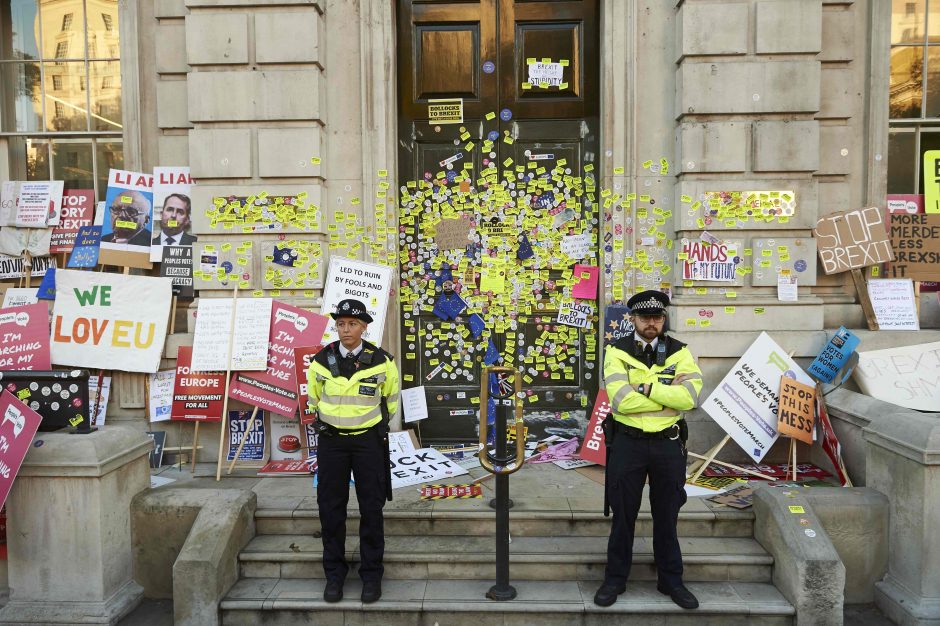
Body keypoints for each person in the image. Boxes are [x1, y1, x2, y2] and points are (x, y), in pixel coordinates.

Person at [594, 290, 703, 610]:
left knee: (667, 516)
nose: (651, 323)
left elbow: (689, 398)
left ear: (664, 319)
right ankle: (615, 579)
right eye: (645, 318)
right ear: (633, 319)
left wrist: (644, 387)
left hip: (668, 445)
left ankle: (671, 580)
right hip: (628, 443)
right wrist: (665, 391)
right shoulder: (615, 351)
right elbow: (621, 400)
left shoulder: (681, 352)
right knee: (622, 516)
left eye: (657, 317)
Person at [307, 299, 399, 604]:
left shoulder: (382, 361)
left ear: (364, 327)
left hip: (367, 444)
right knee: (330, 509)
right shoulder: (321, 360)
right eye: (341, 324)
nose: (346, 330)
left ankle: (371, 576)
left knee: (371, 509)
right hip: (332, 443)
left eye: (353, 324)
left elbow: (391, 401)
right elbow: (313, 399)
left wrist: (374, 431)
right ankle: (334, 576)